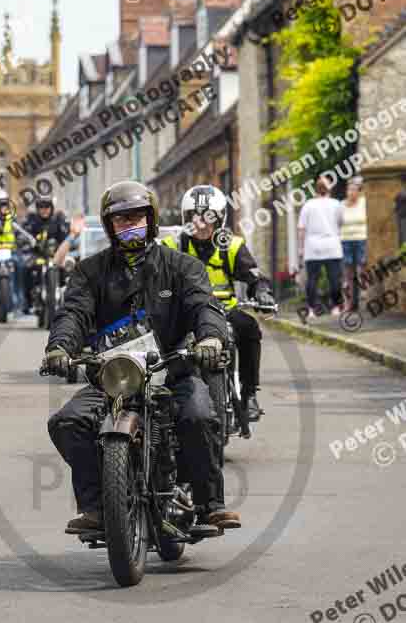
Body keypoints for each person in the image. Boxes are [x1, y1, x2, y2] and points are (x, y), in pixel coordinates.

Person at [42, 180, 241, 534]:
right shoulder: (90, 272)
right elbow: (72, 314)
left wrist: (210, 338)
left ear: (150, 220)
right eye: (120, 219)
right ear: (109, 226)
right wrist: (60, 347)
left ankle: (210, 503)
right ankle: (96, 506)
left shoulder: (182, 267)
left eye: (136, 216)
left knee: (199, 414)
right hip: (114, 377)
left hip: (172, 369)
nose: (129, 224)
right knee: (67, 422)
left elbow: (204, 306)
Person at [161, 185, 274, 425]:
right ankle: (161, 397)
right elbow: (154, 275)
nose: (202, 223)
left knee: (249, 327)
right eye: (195, 216)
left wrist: (262, 292)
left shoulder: (231, 245)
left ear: (219, 218)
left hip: (224, 311)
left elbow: (255, 275)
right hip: (186, 314)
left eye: (208, 216)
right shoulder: (172, 246)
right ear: (187, 218)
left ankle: (249, 394)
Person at [298, 175, 344, 322]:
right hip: (332, 246)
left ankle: (311, 310)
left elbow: (301, 229)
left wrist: (301, 248)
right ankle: (336, 307)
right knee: (334, 279)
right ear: (329, 188)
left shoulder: (308, 205)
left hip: (313, 247)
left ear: (315, 190)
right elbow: (341, 223)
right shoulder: (336, 204)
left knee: (312, 279)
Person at [20, 196, 69, 313]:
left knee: (69, 269)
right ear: (37, 209)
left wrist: (68, 242)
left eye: (47, 207)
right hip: (38, 255)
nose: (44, 210)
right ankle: (27, 301)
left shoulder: (58, 219)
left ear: (51, 208)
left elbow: (66, 235)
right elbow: (23, 235)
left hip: (56, 256)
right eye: (41, 207)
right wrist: (24, 242)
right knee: (25, 268)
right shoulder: (31, 220)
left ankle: (69, 300)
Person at [341, 178, 367, 312]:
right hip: (345, 241)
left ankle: (363, 297)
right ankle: (350, 303)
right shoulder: (341, 206)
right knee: (348, 274)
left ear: (359, 192)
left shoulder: (364, 203)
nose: (351, 193)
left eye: (354, 190)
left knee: (361, 270)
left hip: (361, 239)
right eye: (349, 190)